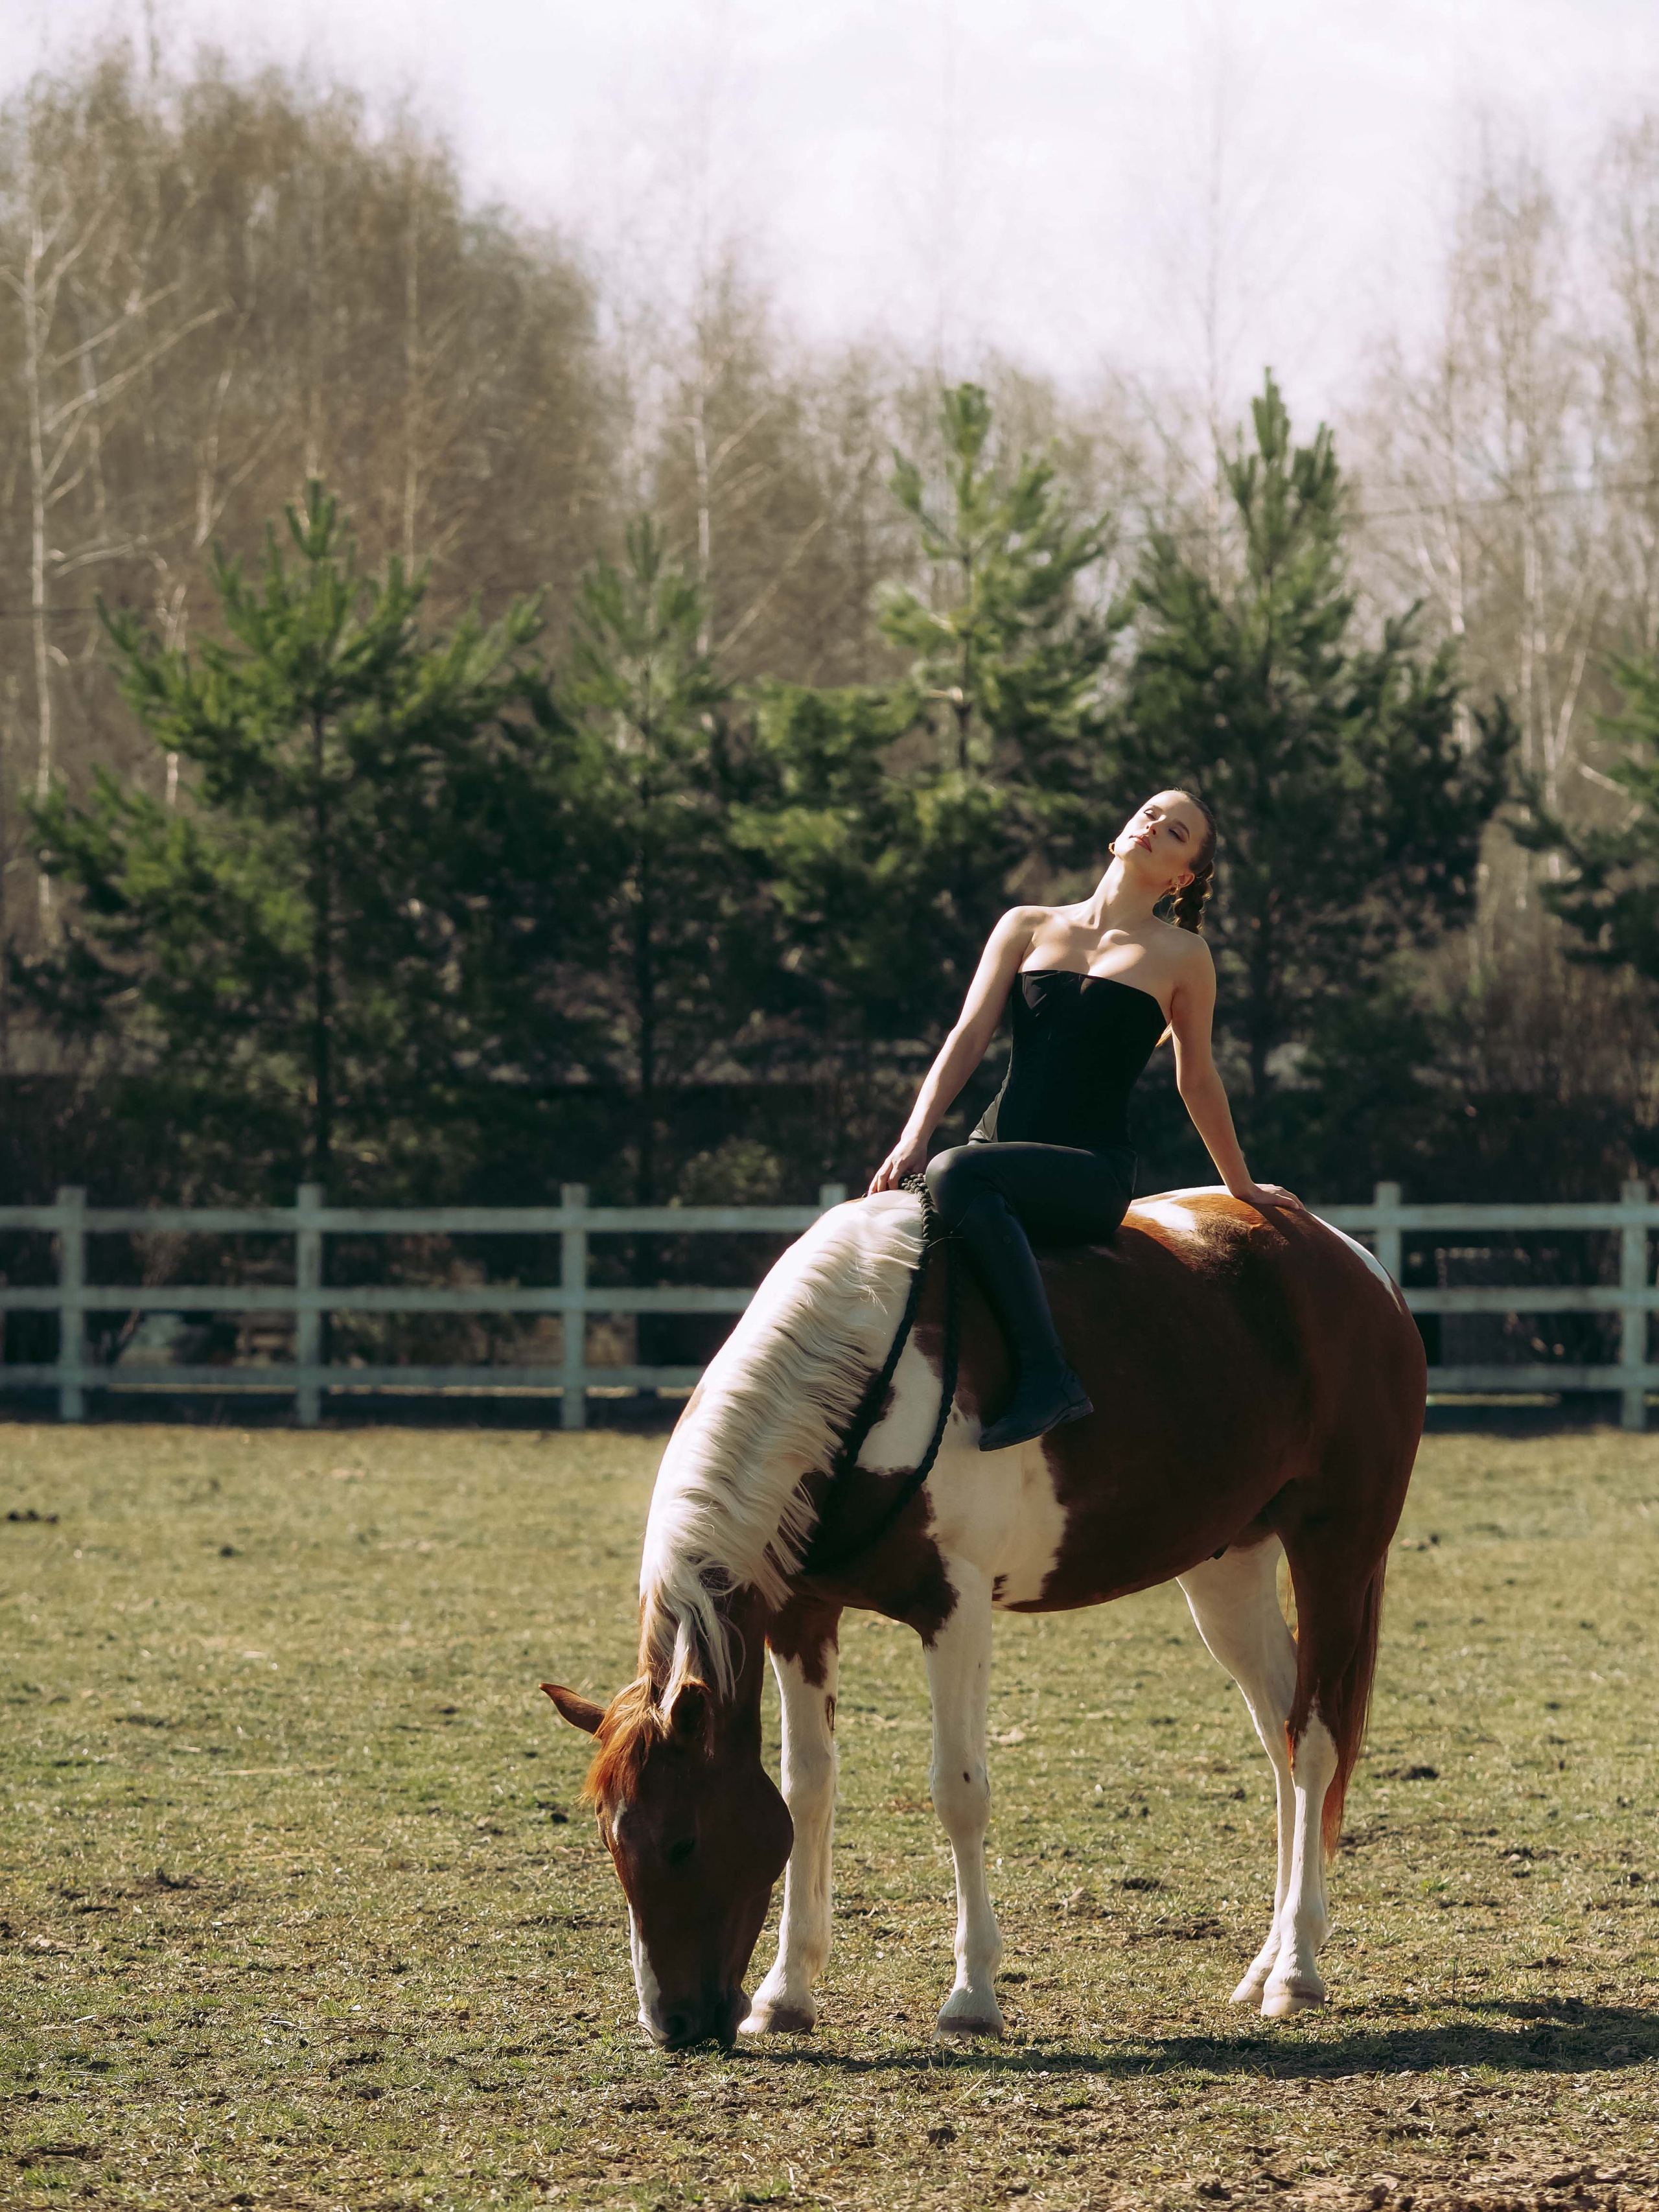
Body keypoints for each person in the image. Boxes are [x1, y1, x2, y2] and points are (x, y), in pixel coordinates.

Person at [868, 789, 1302, 1452]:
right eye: (1151, 812)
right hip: (991, 1158)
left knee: (954, 1170)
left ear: (1181, 875)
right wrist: (912, 1134)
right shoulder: (1025, 923)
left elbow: (1198, 1078)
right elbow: (967, 1037)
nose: (1155, 825)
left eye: (1176, 830)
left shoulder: (1184, 956)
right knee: (898, 1216)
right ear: (1122, 830)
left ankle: (1049, 1377)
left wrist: (1239, 1184)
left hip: (1087, 1173)